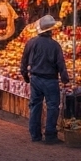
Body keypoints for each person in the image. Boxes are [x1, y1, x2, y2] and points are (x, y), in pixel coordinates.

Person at [20, 15, 71, 144]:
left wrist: (26, 76)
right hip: (50, 80)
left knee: (35, 106)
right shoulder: (55, 46)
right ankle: (50, 135)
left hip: (35, 79)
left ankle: (35, 134)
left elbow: (24, 62)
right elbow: (61, 65)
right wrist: (65, 79)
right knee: (53, 107)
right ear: (51, 30)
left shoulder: (31, 42)